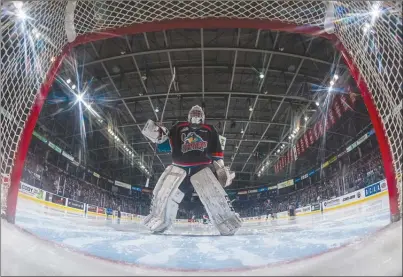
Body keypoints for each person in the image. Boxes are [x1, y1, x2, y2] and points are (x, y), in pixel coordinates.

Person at [141, 105, 242, 235]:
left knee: (214, 196)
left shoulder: (209, 129)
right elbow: (165, 144)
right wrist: (159, 133)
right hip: (179, 168)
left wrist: (221, 169)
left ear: (203, 116)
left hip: (201, 168)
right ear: (189, 115)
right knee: (164, 194)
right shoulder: (178, 127)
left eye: (198, 112)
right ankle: (159, 219)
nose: (196, 114)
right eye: (193, 112)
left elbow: (217, 151)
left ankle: (226, 221)